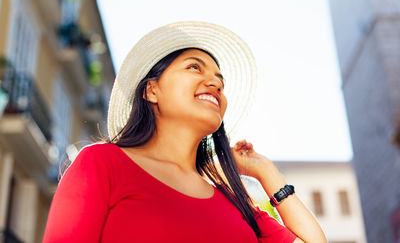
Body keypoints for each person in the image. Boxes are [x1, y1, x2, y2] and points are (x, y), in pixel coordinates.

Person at [42, 21, 326, 242]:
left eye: (220, 81)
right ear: (152, 90)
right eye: (194, 67)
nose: (214, 84)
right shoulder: (101, 164)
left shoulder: (233, 201)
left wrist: (266, 172)